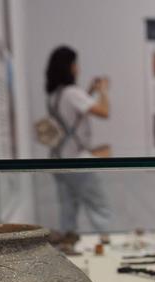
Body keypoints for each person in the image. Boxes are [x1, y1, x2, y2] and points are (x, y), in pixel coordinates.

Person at [44, 45, 111, 243]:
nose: (78, 68)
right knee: (100, 207)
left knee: (67, 207)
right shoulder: (72, 93)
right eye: (76, 64)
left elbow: (74, 114)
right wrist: (104, 91)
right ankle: (108, 243)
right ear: (70, 66)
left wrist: (89, 91)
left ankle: (68, 243)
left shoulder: (54, 95)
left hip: (58, 160)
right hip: (78, 161)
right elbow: (104, 112)